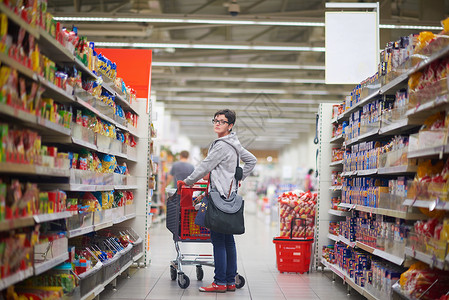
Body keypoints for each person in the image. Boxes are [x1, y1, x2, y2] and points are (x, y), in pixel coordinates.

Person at [180, 109, 256, 293]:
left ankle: (219, 282)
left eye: (222, 121)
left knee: (218, 240)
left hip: (218, 197)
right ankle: (230, 281)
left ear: (230, 125)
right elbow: (251, 161)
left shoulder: (221, 145)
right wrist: (239, 178)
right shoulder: (235, 143)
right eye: (215, 120)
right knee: (228, 240)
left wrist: (188, 182)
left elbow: (205, 165)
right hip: (230, 197)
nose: (217, 123)